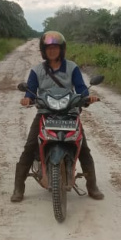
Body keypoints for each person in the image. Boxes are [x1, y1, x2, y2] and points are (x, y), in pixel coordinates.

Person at [12, 31, 104, 202]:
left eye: (56, 47)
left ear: (61, 49)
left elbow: (81, 87)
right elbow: (30, 90)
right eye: (49, 48)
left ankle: (92, 186)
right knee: (30, 146)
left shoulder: (72, 67)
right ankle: (18, 187)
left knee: (83, 148)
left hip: (69, 113)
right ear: (43, 51)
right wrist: (27, 99)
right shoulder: (37, 70)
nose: (52, 51)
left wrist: (87, 97)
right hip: (45, 113)